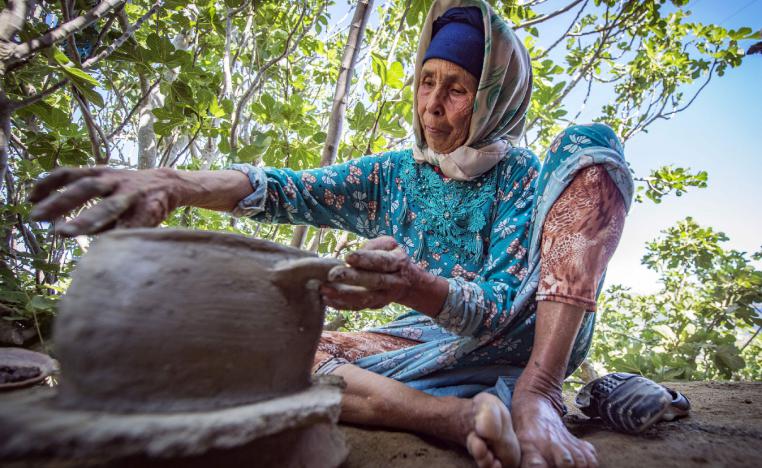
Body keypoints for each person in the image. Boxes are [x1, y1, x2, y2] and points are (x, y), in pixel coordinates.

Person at [29, 1, 633, 467]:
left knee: (592, 145)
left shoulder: (522, 177)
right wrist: (174, 183)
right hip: (421, 348)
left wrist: (413, 284)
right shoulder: (396, 173)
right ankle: (452, 418)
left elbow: (498, 310)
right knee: (284, 355)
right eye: (427, 81)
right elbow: (288, 188)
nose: (433, 106)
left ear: (495, 96)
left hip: (523, 333)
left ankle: (538, 396)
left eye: (456, 89)